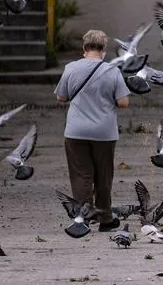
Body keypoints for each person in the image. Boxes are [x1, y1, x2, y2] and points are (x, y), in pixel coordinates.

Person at [54, 29, 130, 232]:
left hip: (76, 131)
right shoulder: (112, 70)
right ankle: (105, 219)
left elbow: (61, 97)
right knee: (103, 176)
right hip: (104, 132)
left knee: (81, 175)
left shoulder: (71, 68)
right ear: (104, 49)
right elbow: (123, 102)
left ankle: (83, 218)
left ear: (84, 48)